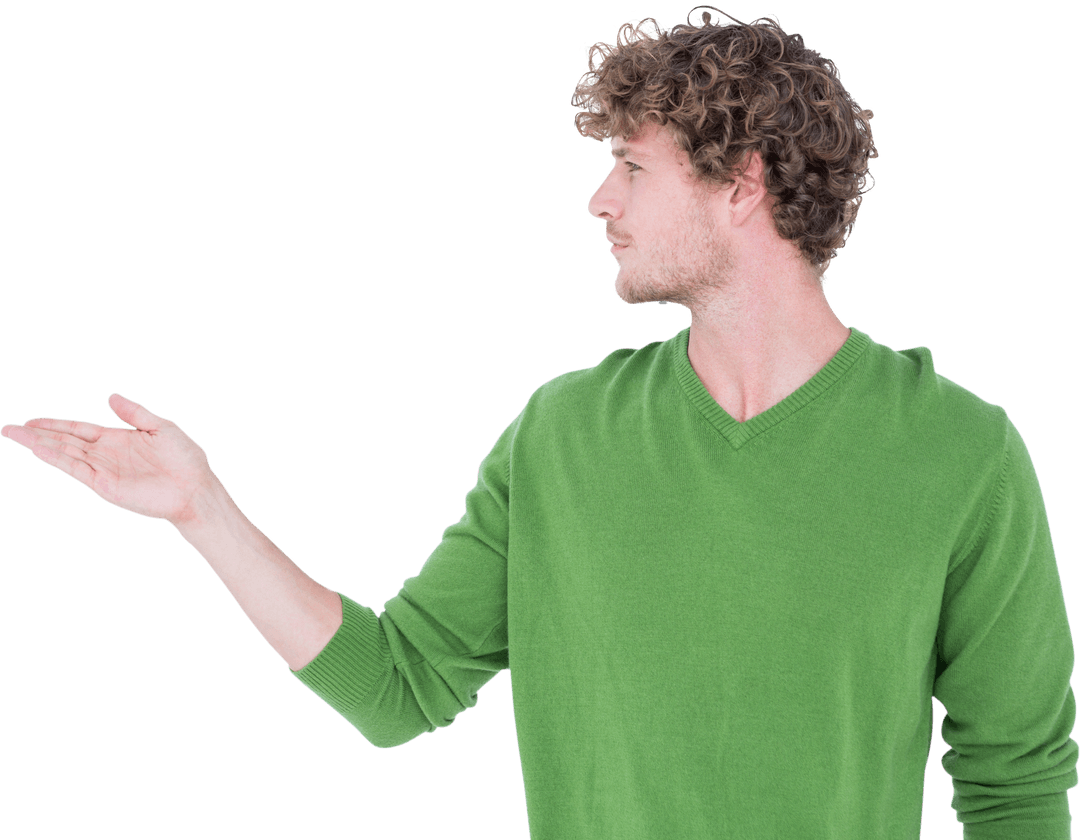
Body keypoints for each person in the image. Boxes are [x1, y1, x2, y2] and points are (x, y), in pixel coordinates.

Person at [2, 7, 1076, 838]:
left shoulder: (960, 453)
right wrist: (204, 512)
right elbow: (398, 685)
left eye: (632, 167)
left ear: (742, 185)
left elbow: (1018, 778)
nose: (600, 201)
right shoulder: (563, 433)